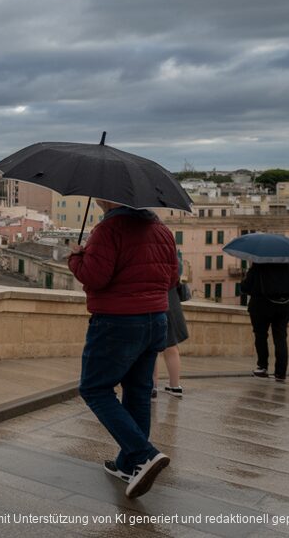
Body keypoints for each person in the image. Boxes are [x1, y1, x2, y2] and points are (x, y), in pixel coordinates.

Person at [69, 199, 179, 499]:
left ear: (108, 199)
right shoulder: (162, 229)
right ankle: (128, 465)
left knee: (95, 389)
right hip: (156, 319)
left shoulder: (108, 229)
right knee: (138, 391)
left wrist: (76, 258)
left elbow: (95, 277)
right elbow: (172, 278)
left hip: (117, 321)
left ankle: (144, 454)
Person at [240, 263, 289, 383]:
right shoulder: (288, 266)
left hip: (261, 306)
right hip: (284, 307)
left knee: (261, 335)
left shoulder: (258, 265)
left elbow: (245, 288)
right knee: (281, 338)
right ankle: (281, 373)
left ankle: (262, 367)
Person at [153, 255, 190, 398]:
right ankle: (175, 386)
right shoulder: (168, 244)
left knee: (151, 348)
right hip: (171, 298)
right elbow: (178, 270)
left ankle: (152, 386)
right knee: (172, 346)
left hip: (154, 297)